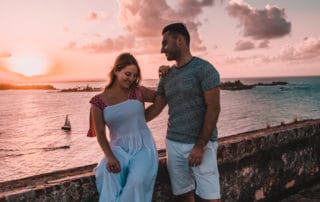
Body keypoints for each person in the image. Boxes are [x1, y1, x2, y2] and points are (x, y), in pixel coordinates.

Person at [146, 23, 221, 202]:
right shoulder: (167, 76)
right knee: (184, 194)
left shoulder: (204, 69)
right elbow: (157, 106)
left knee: (210, 197)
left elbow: (214, 108)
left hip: (201, 145)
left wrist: (200, 146)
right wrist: (131, 122)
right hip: (173, 144)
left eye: (165, 43)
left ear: (179, 41)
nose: (161, 49)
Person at [87, 53, 159, 202]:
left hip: (143, 147)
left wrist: (164, 77)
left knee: (137, 181)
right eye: (128, 74)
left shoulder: (138, 91)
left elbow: (161, 98)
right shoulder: (98, 101)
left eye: (134, 75)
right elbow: (100, 134)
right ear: (116, 71)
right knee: (105, 172)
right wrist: (110, 156)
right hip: (118, 149)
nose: (131, 79)